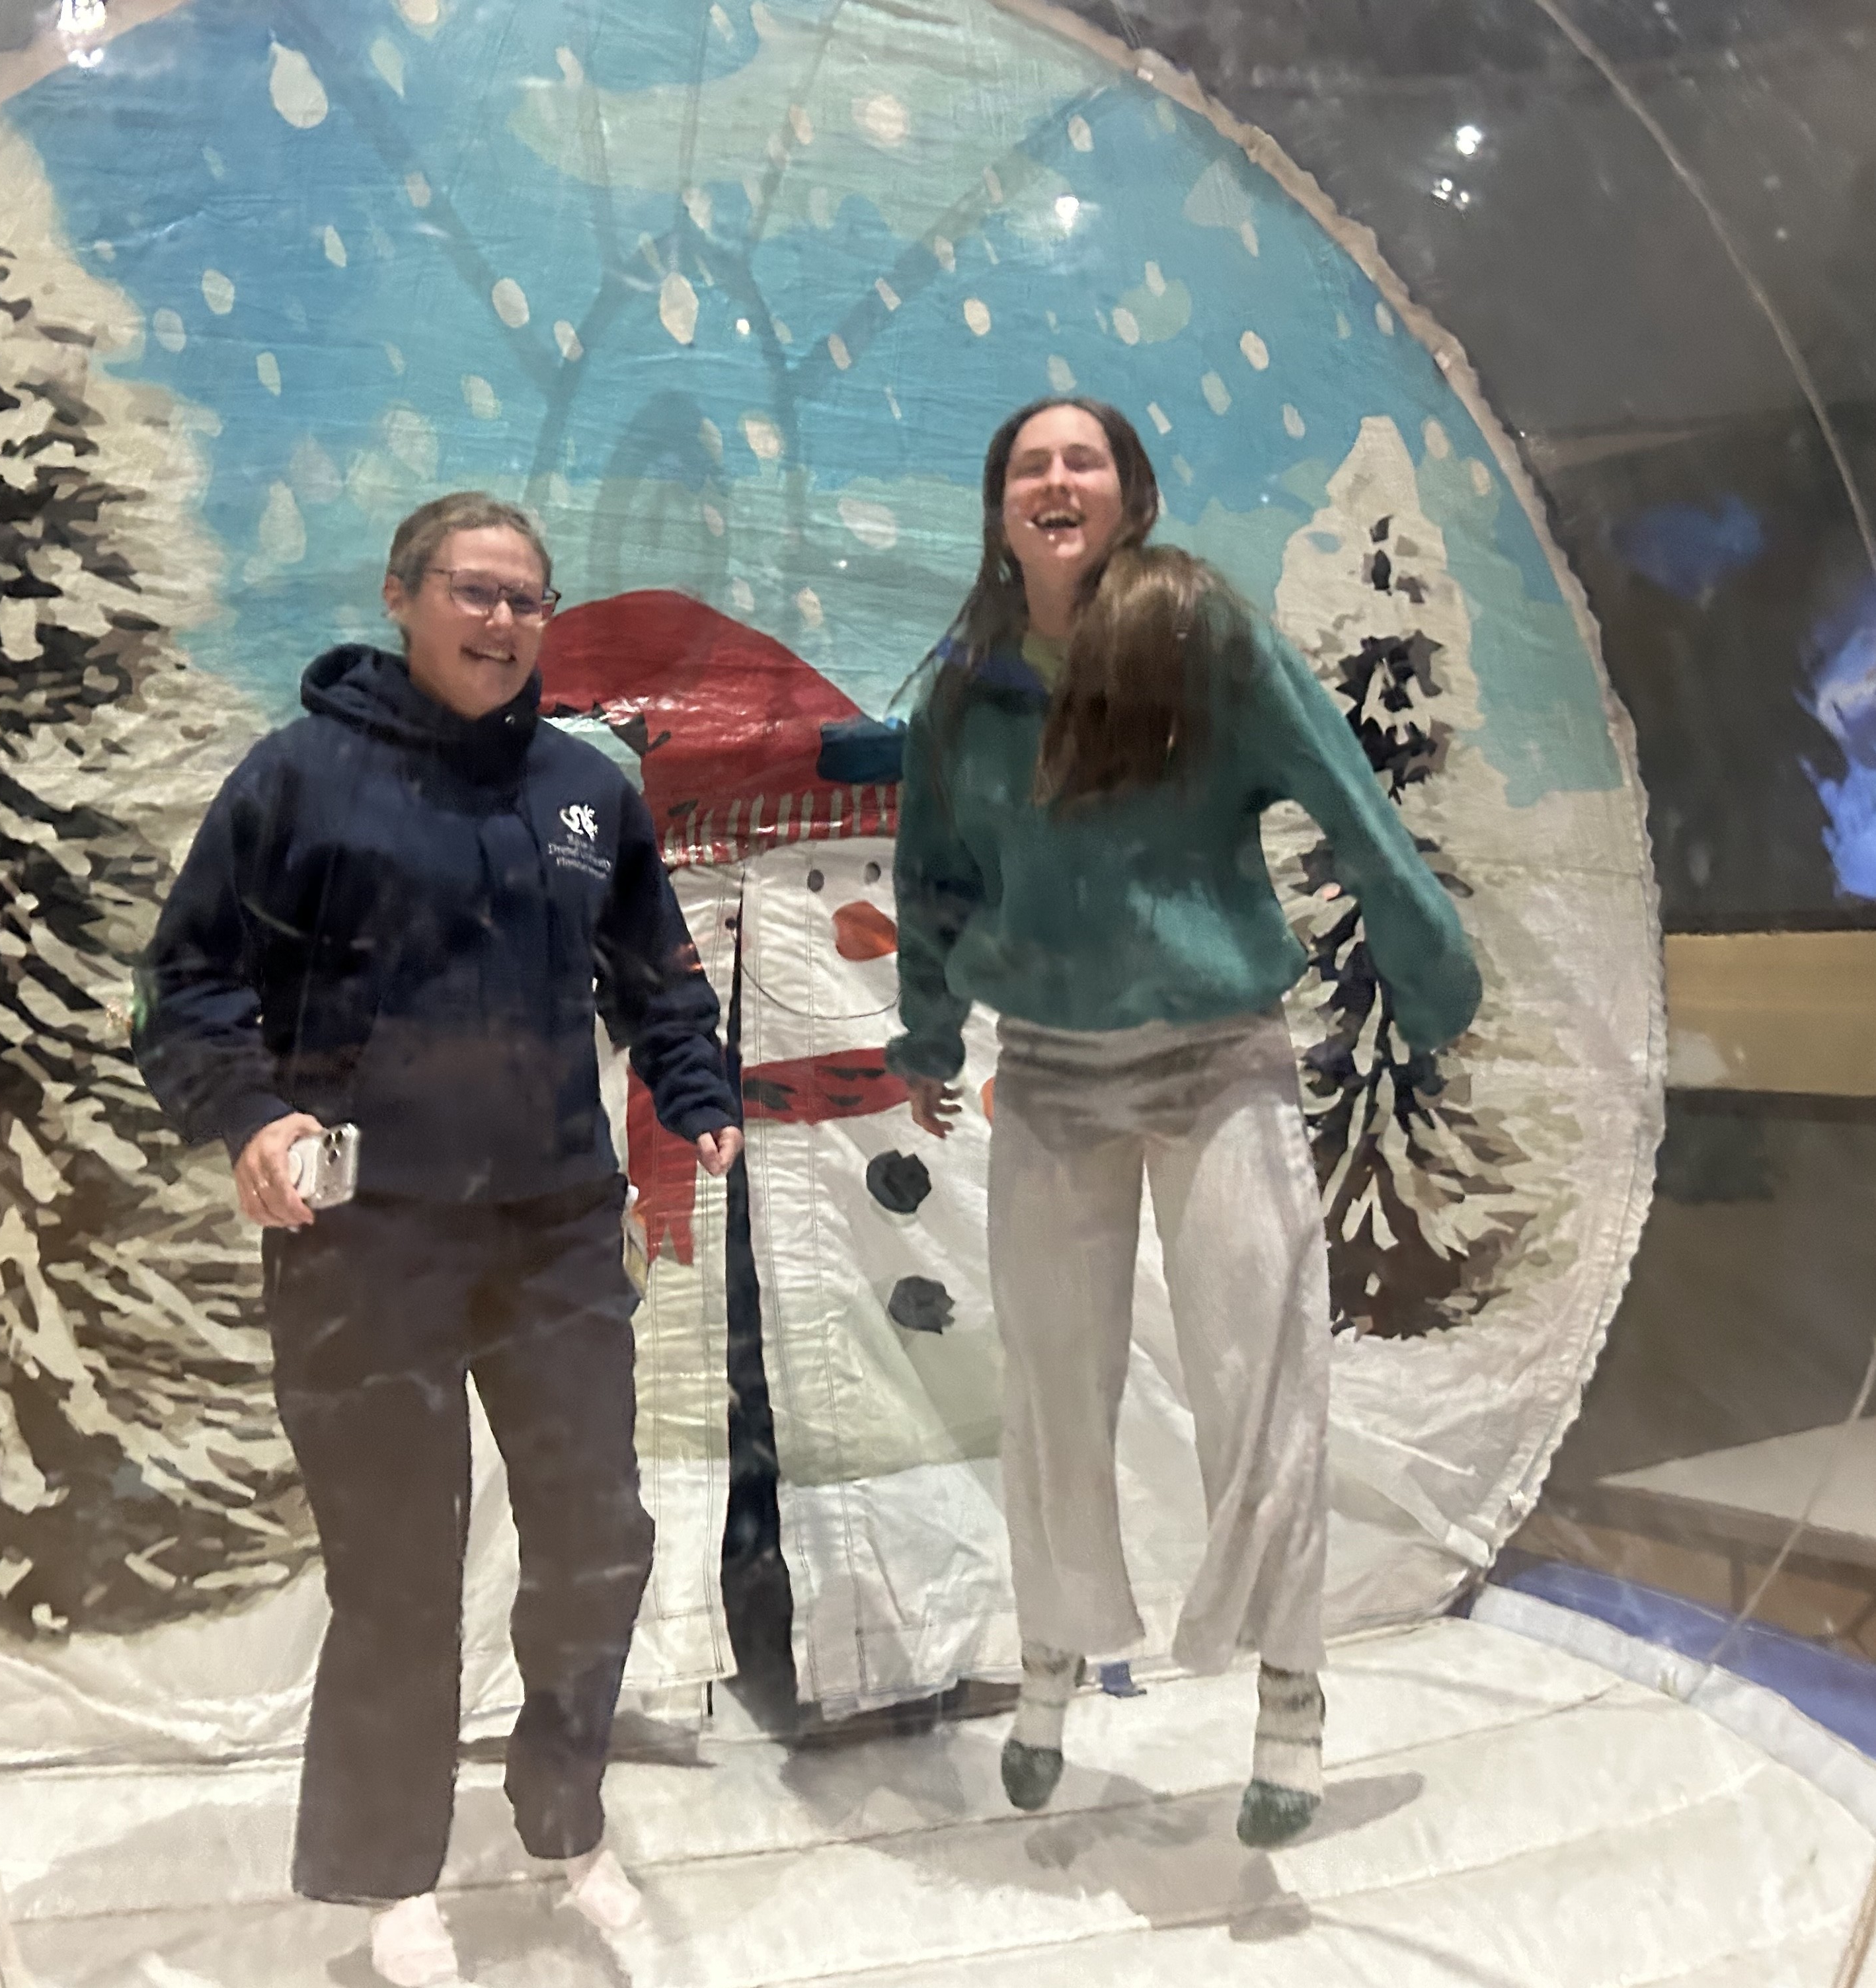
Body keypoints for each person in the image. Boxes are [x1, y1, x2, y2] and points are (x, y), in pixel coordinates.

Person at [134, 492, 741, 1985]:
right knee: (397, 1565)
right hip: (365, 1243)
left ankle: (563, 1823)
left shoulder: (588, 792)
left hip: (551, 1229)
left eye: (529, 600)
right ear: (402, 596)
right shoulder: (297, 781)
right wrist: (250, 1117)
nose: (503, 622)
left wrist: (695, 1082)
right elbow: (184, 987)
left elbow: (654, 971)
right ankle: (386, 1872)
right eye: (474, 592)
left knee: (598, 1539)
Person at [886, 400, 1480, 1849]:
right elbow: (932, 872)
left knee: (1257, 1367)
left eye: (1080, 458)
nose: (1052, 478)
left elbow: (1340, 791)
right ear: (997, 504)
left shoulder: (1194, 627)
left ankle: (1288, 1689)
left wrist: (1429, 968)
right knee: (1050, 1380)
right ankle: (1049, 1661)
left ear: (1127, 491)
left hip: (1216, 1056)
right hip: (1044, 1070)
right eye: (1025, 460)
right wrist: (925, 1029)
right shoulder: (965, 685)